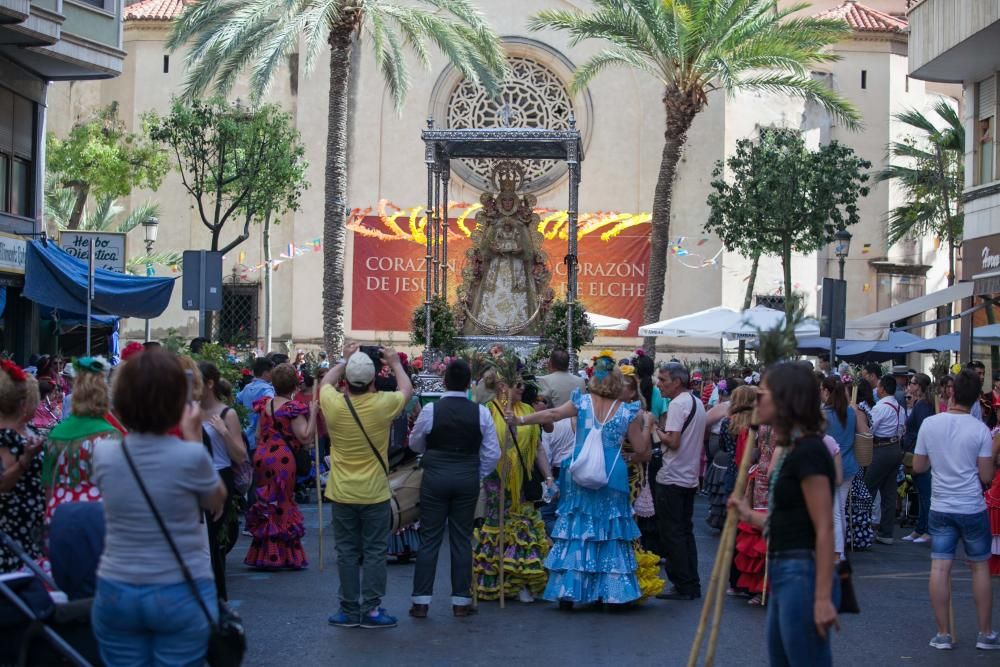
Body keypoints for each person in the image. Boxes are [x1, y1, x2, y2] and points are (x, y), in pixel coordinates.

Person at [91, 350, 227, 666]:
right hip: (180, 588)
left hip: (117, 588)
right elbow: (215, 499)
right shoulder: (189, 457)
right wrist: (193, 439)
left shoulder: (103, 454)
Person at [512, 352, 650, 608]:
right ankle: (610, 593)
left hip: (578, 473)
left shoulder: (582, 403)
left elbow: (551, 415)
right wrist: (643, 434)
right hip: (612, 476)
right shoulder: (626, 412)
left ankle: (569, 590)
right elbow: (642, 450)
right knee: (610, 533)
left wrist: (520, 419)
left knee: (577, 529)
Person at [729, 362, 840, 666]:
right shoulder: (789, 448)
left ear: (784, 400)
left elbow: (824, 527)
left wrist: (821, 598)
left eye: (762, 394)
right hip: (785, 567)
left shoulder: (809, 451)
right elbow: (790, 520)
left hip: (802, 572)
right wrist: (748, 514)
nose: (756, 401)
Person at [322, 343, 412, 629]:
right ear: (373, 380)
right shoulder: (382, 404)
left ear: (346, 381)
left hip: (341, 491)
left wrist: (344, 359)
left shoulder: (333, 403)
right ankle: (372, 610)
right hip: (374, 492)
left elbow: (325, 381)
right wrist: (396, 364)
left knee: (347, 551)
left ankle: (349, 610)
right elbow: (407, 391)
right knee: (374, 551)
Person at [406, 360, 501, 618]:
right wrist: (476, 472)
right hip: (466, 475)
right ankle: (460, 600)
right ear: (469, 383)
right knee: (461, 538)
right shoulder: (480, 412)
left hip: (435, 475)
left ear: (444, 381)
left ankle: (421, 601)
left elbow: (415, 443)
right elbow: (493, 453)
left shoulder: (431, 410)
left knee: (429, 538)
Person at [913, 369, 999, 650]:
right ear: (976, 398)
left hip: (941, 505)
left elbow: (918, 467)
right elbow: (986, 476)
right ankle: (985, 633)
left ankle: (942, 634)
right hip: (971, 505)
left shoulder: (930, 424)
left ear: (951, 392)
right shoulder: (980, 430)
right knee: (980, 568)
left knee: (939, 568)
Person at [473, 369, 551, 604]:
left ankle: (524, 581)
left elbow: (537, 447)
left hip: (524, 482)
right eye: (516, 384)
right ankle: (500, 581)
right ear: (502, 387)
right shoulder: (488, 413)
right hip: (498, 482)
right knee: (499, 528)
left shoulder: (527, 411)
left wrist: (548, 477)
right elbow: (487, 449)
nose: (521, 388)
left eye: (522, 384)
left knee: (524, 527)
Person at [244, 363, 316, 570]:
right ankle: (281, 554)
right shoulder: (292, 408)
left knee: (267, 501)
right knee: (283, 501)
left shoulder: (265, 405)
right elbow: (304, 437)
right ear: (295, 385)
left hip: (263, 455)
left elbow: (258, 435)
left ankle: (263, 551)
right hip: (283, 459)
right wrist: (313, 415)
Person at [42, 357, 122, 523]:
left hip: (60, 515)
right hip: (100, 519)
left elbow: (49, 486)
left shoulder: (56, 433)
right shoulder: (112, 436)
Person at [655, 361, 707, 600]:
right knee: (684, 531)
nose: (659, 384)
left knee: (672, 533)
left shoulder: (677, 404)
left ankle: (682, 582)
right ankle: (690, 582)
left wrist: (656, 430)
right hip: (688, 476)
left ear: (677, 382)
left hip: (672, 476)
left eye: (663, 380)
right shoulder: (697, 402)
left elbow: (673, 441)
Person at [199, 361, 248, 598]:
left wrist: (224, 432)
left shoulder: (227, 414)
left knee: (209, 538)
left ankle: (217, 595)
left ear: (209, 384)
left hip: (220, 476)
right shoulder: (188, 411)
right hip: (196, 478)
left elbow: (240, 455)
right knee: (201, 541)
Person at [0, 363, 44, 572]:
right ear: (23, 403)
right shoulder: (4, 438)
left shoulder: (31, 431)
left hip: (33, 530)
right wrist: (25, 461)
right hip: (10, 535)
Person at [820, 375, 868, 560]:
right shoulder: (850, 411)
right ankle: (839, 551)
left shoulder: (824, 415)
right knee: (839, 510)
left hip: (829, 467)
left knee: (835, 512)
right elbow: (865, 433)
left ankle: (837, 553)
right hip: (849, 466)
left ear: (826, 391)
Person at [865, 375, 905, 545]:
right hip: (896, 448)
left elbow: (870, 430)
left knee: (868, 489)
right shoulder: (899, 408)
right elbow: (903, 429)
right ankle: (886, 533)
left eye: (878, 387)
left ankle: (863, 529)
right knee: (889, 492)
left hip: (881, 449)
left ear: (882, 389)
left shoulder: (880, 407)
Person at [704, 380, 747, 531]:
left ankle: (724, 521)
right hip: (741, 463)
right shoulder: (753, 420)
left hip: (729, 459)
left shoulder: (729, 419)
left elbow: (723, 442)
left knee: (726, 488)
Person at [536, 393, 575, 536]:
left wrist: (548, 478)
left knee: (546, 515)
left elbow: (546, 454)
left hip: (558, 473)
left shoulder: (547, 428)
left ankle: (561, 542)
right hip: (575, 471)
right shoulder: (572, 420)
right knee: (568, 513)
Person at [902, 373, 934, 544]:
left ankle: (927, 530)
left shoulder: (922, 405)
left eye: (912, 383)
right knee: (921, 493)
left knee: (924, 494)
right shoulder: (920, 404)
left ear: (920, 386)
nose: (909, 386)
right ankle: (920, 529)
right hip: (916, 451)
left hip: (918, 453)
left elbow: (924, 429)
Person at [237, 357, 275, 453]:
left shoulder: (247, 387)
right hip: (259, 438)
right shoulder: (267, 390)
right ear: (266, 373)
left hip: (245, 435)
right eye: (272, 372)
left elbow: (237, 400)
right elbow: (271, 406)